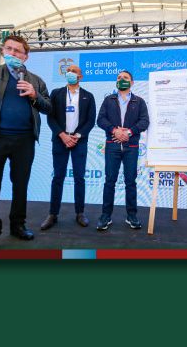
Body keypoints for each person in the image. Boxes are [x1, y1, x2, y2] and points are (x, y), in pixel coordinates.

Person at [0, 35, 52, 248]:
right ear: (3, 51)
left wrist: (34, 96)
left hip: (25, 140)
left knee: (20, 186)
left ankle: (18, 225)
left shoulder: (36, 80)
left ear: (25, 56)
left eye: (17, 50)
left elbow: (48, 108)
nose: (12, 53)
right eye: (8, 49)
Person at [40, 65, 96, 230]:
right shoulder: (56, 93)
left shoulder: (88, 96)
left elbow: (90, 120)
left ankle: (80, 213)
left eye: (74, 71)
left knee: (79, 178)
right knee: (58, 177)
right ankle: (53, 214)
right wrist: (62, 135)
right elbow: (50, 117)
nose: (70, 73)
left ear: (81, 77)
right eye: (69, 71)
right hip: (60, 140)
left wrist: (77, 136)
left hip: (79, 141)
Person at [96, 70, 149, 230]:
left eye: (125, 78)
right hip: (112, 146)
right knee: (109, 181)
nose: (121, 79)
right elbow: (100, 120)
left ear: (131, 82)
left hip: (131, 147)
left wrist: (129, 132)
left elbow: (144, 121)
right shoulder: (109, 100)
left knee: (130, 182)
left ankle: (131, 216)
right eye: (119, 77)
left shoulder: (139, 101)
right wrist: (115, 131)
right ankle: (105, 216)